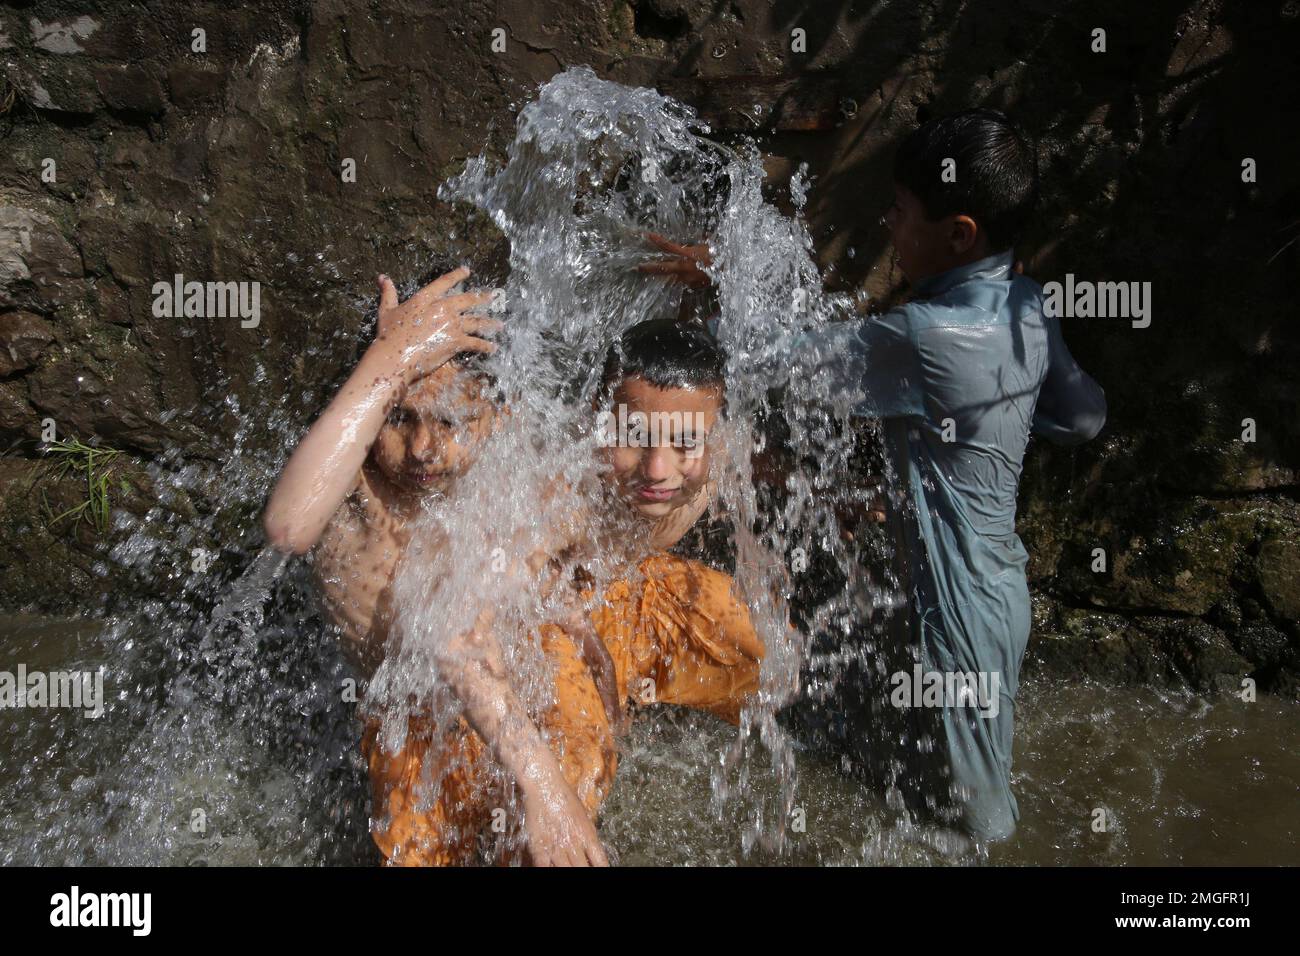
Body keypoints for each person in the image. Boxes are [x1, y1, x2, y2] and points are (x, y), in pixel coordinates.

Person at [647, 109, 1107, 843]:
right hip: (986, 594)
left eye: (899, 211)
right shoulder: (1024, 303)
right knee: (905, 797)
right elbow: (1083, 418)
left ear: (958, 233)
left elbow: (777, 364)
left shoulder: (929, 337)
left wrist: (724, 278)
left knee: (973, 832)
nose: (888, 226)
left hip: (955, 625)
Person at [265, 279, 763, 864]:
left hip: (537, 647)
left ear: (497, 414)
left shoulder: (550, 446)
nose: (424, 449)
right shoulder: (357, 487)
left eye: (450, 422)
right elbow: (290, 527)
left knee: (756, 643)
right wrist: (390, 360)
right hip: (428, 708)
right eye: (399, 418)